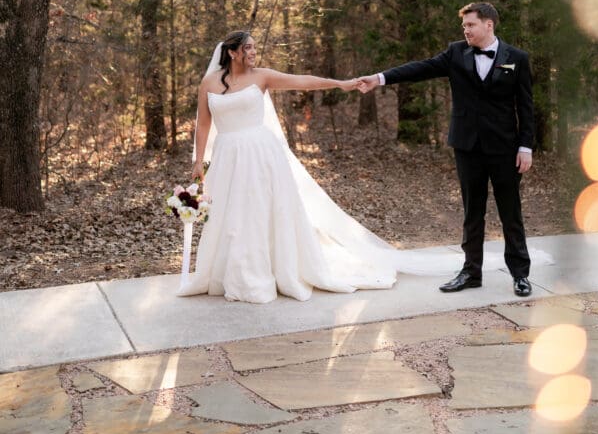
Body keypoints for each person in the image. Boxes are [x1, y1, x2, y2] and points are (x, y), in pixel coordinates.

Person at [178, 31, 460, 304]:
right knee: (231, 215)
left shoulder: (262, 76)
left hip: (260, 154)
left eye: (253, 47)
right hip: (227, 156)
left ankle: (261, 273)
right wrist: (198, 161)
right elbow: (203, 125)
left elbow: (304, 82)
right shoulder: (210, 83)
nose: (253, 52)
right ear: (231, 52)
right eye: (247, 48)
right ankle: (231, 273)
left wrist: (340, 84)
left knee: (258, 211)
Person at [358, 2, 535, 297]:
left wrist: (525, 146)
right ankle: (470, 272)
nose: (465, 30)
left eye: (470, 25)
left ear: (488, 25)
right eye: (463, 26)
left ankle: (520, 274)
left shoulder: (516, 58)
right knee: (471, 212)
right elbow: (421, 68)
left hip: (505, 148)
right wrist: (380, 78)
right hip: (467, 146)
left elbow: (526, 107)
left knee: (510, 212)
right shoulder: (455, 53)